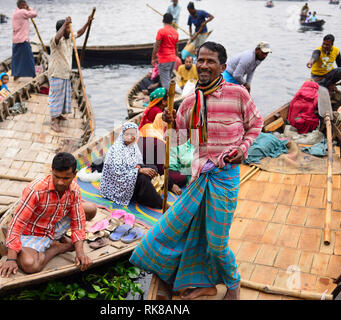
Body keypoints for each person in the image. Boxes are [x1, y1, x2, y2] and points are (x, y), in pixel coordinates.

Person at [130, 41, 264, 300]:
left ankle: (233, 284)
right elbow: (181, 141)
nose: (203, 65)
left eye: (210, 61)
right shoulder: (189, 102)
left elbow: (256, 123)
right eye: (200, 60)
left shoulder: (238, 94)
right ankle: (203, 283)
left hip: (224, 177)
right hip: (198, 176)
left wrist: (243, 148)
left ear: (222, 66)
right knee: (165, 232)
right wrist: (169, 124)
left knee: (215, 242)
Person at [0, 152, 97, 277]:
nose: (60, 182)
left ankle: (57, 241)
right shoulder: (36, 190)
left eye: (66, 178)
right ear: (51, 171)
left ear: (74, 174)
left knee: (90, 209)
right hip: (31, 233)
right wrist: (11, 259)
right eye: (56, 177)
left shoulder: (74, 189)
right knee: (31, 265)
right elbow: (17, 223)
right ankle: (57, 248)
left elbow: (78, 222)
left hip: (52, 227)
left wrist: (80, 253)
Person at [100, 122, 170, 210]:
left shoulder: (133, 146)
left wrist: (139, 168)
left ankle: (142, 193)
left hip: (130, 174)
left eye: (133, 134)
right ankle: (161, 203)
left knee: (153, 168)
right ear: (123, 134)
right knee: (143, 179)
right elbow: (118, 173)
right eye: (127, 134)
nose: (130, 137)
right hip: (117, 185)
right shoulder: (116, 150)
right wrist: (139, 171)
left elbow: (137, 163)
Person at [48, 16, 93, 133]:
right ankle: (53, 121)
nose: (69, 30)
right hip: (57, 73)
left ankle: (58, 115)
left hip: (66, 74)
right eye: (67, 28)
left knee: (63, 97)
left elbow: (79, 32)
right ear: (62, 29)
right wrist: (65, 23)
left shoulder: (69, 38)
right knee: (56, 97)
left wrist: (87, 23)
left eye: (69, 28)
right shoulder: (55, 39)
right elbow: (57, 37)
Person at [151, 13, 179, 91]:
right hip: (173, 59)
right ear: (172, 22)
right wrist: (176, 58)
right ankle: (169, 97)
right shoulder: (175, 32)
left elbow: (156, 46)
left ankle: (168, 99)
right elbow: (176, 48)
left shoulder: (161, 31)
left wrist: (153, 58)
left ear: (163, 20)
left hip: (164, 60)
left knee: (166, 83)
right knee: (168, 79)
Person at [11, 0, 37, 81]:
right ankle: (33, 75)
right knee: (29, 58)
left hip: (15, 40)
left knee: (16, 59)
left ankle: (16, 74)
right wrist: (29, 8)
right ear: (22, 5)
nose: (26, 5)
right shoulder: (22, 12)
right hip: (23, 39)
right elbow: (34, 14)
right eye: (25, 4)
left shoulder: (15, 12)